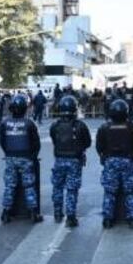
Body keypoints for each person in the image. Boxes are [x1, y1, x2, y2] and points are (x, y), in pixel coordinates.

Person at [96, 99, 133, 228]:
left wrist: (104, 158)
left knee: (109, 192)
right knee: (131, 192)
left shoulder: (104, 127)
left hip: (111, 161)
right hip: (129, 161)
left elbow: (99, 146)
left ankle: (107, 219)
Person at [49, 95, 92, 227]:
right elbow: (88, 142)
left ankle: (57, 212)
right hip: (74, 160)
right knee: (72, 190)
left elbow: (54, 140)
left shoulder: (55, 125)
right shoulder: (80, 125)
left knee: (57, 187)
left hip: (59, 159)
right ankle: (71, 216)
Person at [0, 94, 43, 222]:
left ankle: (6, 212)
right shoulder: (29, 124)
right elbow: (36, 143)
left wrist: (8, 153)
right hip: (26, 158)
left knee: (9, 186)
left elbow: (3, 141)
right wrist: (33, 157)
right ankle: (33, 213)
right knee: (29, 186)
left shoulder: (5, 123)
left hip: (11, 157)